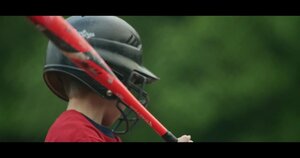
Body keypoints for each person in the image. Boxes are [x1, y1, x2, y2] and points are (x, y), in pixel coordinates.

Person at [43, 16, 193, 142]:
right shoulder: (76, 135)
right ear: (107, 86)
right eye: (130, 83)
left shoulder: (94, 134)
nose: (130, 95)